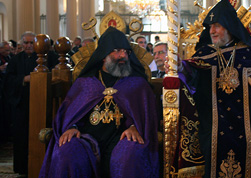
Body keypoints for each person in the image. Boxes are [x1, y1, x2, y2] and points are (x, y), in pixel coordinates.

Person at [168, 0, 251, 177]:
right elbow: (192, 73)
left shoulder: (249, 54)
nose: (212, 31)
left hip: (249, 118)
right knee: (210, 139)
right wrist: (180, 68)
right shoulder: (205, 53)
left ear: (229, 27)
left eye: (217, 26)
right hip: (212, 117)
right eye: (210, 27)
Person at [40, 27, 159, 178]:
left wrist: (135, 126)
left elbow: (146, 115)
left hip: (121, 139)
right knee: (67, 151)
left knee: (131, 153)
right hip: (86, 139)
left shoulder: (137, 84)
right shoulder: (85, 83)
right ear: (103, 55)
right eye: (117, 51)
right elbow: (70, 112)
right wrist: (72, 126)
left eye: (126, 51)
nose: (123, 55)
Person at [4, 31, 58, 176]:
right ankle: (22, 169)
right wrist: (24, 79)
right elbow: (8, 80)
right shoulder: (16, 60)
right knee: (21, 138)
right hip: (21, 104)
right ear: (21, 44)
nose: (29, 46)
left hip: (43, 104)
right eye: (26, 43)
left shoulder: (49, 57)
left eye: (31, 43)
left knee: (42, 136)